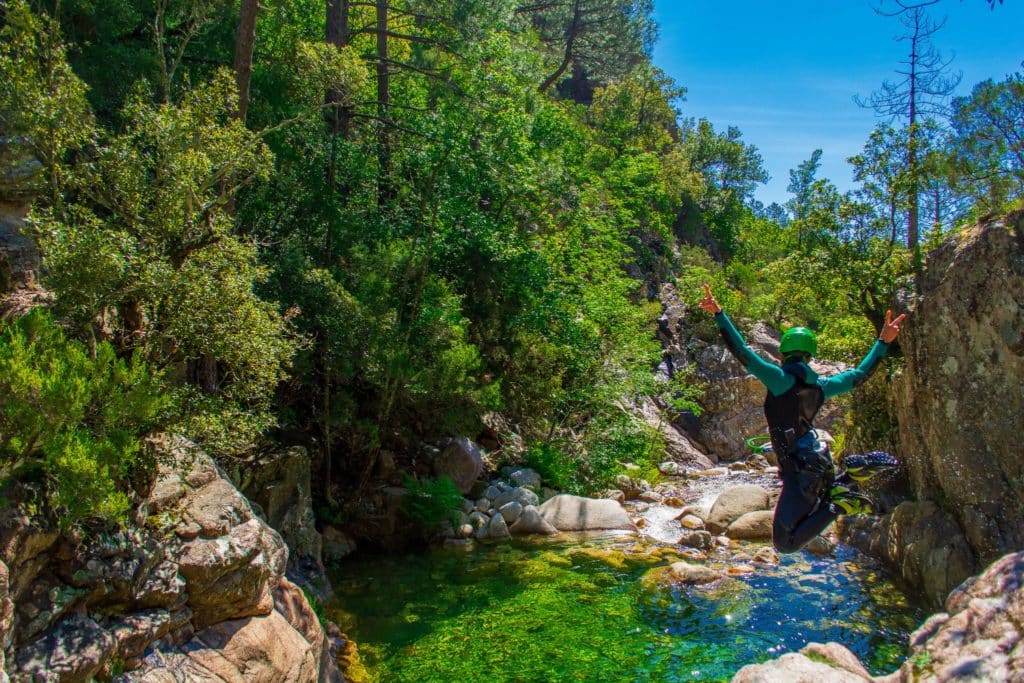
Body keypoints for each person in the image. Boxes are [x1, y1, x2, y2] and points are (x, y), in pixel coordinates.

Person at [698, 284, 906, 553]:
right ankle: (850, 475)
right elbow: (857, 376)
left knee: (785, 543)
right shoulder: (822, 385)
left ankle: (839, 505)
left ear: (783, 352)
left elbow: (742, 351)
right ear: (810, 355)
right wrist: (882, 343)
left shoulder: (779, 379)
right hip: (817, 461)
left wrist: (719, 313)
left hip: (800, 472)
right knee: (820, 496)